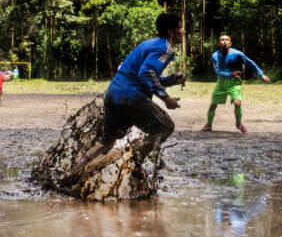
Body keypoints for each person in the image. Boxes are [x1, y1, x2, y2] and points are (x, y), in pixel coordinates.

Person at [68, 12, 184, 177]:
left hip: (114, 95)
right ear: (171, 32)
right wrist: (166, 98)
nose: (183, 30)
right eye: (180, 27)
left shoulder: (149, 44)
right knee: (165, 126)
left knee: (106, 142)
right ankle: (133, 162)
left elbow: (144, 75)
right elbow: (147, 73)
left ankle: (74, 172)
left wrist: (172, 80)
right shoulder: (166, 48)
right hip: (131, 97)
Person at [202, 34, 270, 134]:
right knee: (213, 105)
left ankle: (239, 124)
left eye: (226, 40)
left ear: (230, 43)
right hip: (221, 83)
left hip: (235, 83)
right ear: (219, 44)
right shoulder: (215, 56)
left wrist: (261, 75)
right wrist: (230, 74)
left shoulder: (238, 54)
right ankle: (208, 124)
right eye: (222, 40)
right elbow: (218, 71)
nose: (224, 41)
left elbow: (250, 63)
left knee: (238, 103)